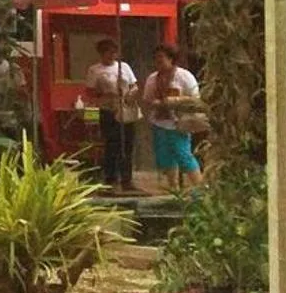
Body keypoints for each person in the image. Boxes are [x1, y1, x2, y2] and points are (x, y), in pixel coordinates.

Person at [142, 44, 203, 193]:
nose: (158, 62)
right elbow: (146, 99)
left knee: (183, 154)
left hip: (178, 122)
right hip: (159, 121)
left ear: (171, 59)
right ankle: (173, 188)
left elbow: (195, 98)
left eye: (161, 58)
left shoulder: (184, 76)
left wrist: (176, 101)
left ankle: (200, 187)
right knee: (165, 156)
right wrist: (155, 103)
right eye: (156, 59)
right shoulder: (152, 78)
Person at [84, 36, 139, 191]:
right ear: (102, 53)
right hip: (108, 110)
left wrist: (130, 94)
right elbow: (90, 92)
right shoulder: (95, 70)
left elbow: (134, 85)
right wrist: (105, 96)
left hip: (125, 108)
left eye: (114, 52)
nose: (112, 55)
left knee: (127, 144)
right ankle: (110, 177)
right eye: (108, 52)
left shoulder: (124, 67)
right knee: (111, 144)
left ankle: (127, 179)